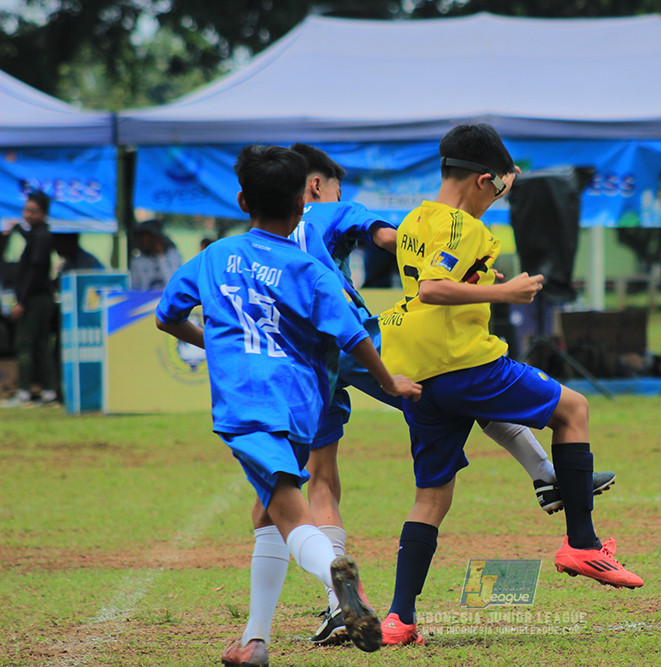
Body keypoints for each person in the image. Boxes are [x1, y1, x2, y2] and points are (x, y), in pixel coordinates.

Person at [238, 142, 614, 648]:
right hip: (358, 343)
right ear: (315, 186)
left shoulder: (253, 247)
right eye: (335, 187)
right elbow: (400, 243)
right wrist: (473, 275)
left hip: (300, 363)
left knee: (319, 481)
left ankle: (336, 602)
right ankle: (547, 477)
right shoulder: (332, 211)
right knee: (461, 387)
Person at [154, 144, 422, 665]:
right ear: (305, 202)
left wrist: (219, 342)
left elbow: (168, 315)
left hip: (248, 405)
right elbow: (352, 336)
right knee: (266, 512)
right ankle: (255, 642)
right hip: (303, 406)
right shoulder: (311, 270)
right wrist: (389, 383)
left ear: (240, 199)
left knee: (288, 510)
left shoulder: (213, 256)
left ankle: (339, 580)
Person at [377, 124, 643, 646]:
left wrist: (480, 287)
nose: (499, 200)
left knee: (430, 498)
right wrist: (510, 293)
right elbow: (432, 288)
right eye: (500, 190)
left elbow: (429, 279)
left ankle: (399, 618)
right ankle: (582, 544)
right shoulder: (465, 227)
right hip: (466, 366)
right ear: (481, 180)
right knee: (574, 409)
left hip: (417, 375)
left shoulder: (414, 220)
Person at [1, 191, 58, 406]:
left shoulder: (41, 237)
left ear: (43, 214)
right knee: (42, 344)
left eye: (33, 211)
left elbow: (34, 271)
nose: (28, 215)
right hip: (41, 298)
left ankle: (24, 391)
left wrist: (22, 302)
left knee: (25, 343)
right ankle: (48, 392)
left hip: (35, 299)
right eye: (26, 210)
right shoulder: (39, 235)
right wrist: (17, 230)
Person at [130, 219, 183, 290]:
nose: (145, 242)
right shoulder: (138, 262)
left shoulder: (173, 256)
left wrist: (161, 256)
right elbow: (136, 287)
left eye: (149, 239)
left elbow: (173, 284)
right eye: (142, 239)